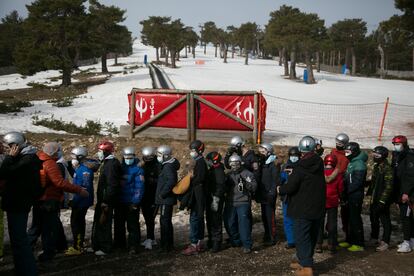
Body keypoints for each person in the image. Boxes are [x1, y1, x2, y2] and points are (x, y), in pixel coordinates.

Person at [278, 136, 325, 276]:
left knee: (301, 236)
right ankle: (304, 261)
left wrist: (280, 189)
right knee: (311, 235)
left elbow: (291, 187)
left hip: (302, 207)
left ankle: (307, 267)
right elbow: (309, 179)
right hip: (317, 205)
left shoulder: (299, 167)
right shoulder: (319, 162)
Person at [34, 142, 89, 261]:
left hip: (40, 199)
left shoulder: (38, 160)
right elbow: (59, 182)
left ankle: (55, 247)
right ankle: (49, 253)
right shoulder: (51, 164)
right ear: (54, 152)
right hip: (50, 199)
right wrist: (78, 190)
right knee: (49, 228)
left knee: (42, 226)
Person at [0, 132, 40, 275]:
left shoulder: (26, 160)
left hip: (18, 204)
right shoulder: (25, 158)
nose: (5, 150)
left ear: (15, 147)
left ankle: (28, 271)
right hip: (17, 203)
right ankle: (21, 268)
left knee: (19, 239)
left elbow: (3, 172)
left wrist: (10, 158)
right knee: (16, 240)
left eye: (7, 147)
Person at [92, 140, 122, 256]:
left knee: (104, 223)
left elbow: (112, 184)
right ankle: (97, 244)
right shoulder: (106, 163)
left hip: (107, 199)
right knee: (99, 221)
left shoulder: (111, 164)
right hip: (103, 198)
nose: (98, 153)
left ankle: (105, 246)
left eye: (100, 151)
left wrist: (106, 201)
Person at [65, 146, 95, 256]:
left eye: (74, 156)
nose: (72, 158)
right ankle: (79, 245)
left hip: (81, 202)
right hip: (80, 201)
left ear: (80, 157)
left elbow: (84, 190)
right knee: (77, 222)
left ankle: (78, 246)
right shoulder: (80, 168)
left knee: (77, 223)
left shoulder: (84, 171)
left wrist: (75, 201)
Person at [225, 154, 257, 254]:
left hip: (243, 202)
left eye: (236, 163)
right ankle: (235, 241)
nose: (234, 166)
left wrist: (245, 183)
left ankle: (247, 244)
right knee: (229, 223)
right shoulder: (228, 175)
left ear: (240, 163)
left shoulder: (247, 174)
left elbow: (254, 187)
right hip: (230, 202)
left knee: (244, 224)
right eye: (232, 164)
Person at [116, 146, 145, 254]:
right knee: (119, 224)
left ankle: (133, 245)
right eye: (126, 157)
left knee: (132, 225)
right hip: (120, 201)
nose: (128, 159)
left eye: (130, 157)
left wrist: (135, 201)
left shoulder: (138, 169)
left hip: (131, 202)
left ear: (134, 156)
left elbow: (140, 187)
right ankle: (120, 244)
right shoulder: (120, 167)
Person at [340, 142, 367, 252]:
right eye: (345, 152)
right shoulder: (352, 162)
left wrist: (347, 191)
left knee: (355, 218)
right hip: (349, 194)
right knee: (348, 218)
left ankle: (359, 243)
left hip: (355, 195)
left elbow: (357, 182)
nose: (346, 154)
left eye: (348, 152)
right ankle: (349, 239)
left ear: (354, 152)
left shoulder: (359, 164)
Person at [183, 140, 208, 256]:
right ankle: (199, 241)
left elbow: (200, 178)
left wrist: (191, 178)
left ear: (199, 150)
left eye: (193, 150)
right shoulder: (198, 161)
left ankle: (194, 243)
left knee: (195, 218)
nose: (191, 153)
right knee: (197, 217)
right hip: (198, 193)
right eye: (191, 150)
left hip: (198, 193)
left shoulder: (201, 162)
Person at [366, 146, 393, 252]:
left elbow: (389, 186)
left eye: (377, 155)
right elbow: (374, 181)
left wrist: (383, 200)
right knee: (373, 217)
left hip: (382, 198)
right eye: (374, 155)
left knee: (385, 219)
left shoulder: (387, 168)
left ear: (383, 156)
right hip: (375, 196)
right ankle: (374, 237)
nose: (375, 157)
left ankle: (385, 241)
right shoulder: (377, 166)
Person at [316, 154, 343, 254]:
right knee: (332, 224)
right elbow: (340, 189)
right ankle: (332, 245)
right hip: (333, 202)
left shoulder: (319, 173)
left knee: (319, 223)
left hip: (321, 201)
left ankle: (318, 244)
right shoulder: (338, 175)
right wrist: (341, 197)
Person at [391, 135, 414, 253]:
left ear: (404, 144)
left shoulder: (409, 156)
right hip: (399, 191)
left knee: (406, 217)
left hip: (407, 193)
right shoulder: (396, 155)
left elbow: (410, 176)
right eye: (394, 144)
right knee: (405, 216)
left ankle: (407, 242)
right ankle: (410, 240)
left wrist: (406, 192)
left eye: (398, 144)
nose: (396, 146)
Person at [155, 145, 180, 252]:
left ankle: (166, 245)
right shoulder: (166, 165)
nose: (158, 157)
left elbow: (171, 181)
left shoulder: (168, 166)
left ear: (165, 155)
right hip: (165, 199)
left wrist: (162, 194)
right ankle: (167, 244)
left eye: (159, 155)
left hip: (166, 199)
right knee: (165, 222)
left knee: (165, 222)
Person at [257, 143, 280, 246]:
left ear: (268, 152)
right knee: (264, 216)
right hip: (263, 193)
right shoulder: (263, 163)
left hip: (269, 193)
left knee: (270, 216)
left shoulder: (273, 164)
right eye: (260, 152)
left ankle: (272, 236)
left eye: (263, 152)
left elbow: (275, 180)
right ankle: (266, 234)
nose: (261, 154)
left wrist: (272, 193)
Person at [280, 147, 301, 249]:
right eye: (292, 156)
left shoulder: (302, 167)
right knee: (287, 219)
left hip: (298, 196)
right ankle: (291, 240)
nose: (294, 158)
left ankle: (299, 239)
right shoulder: (285, 166)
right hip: (287, 197)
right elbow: (280, 180)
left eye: (296, 156)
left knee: (298, 219)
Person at [331, 133, 350, 245]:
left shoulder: (346, 156)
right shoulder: (333, 152)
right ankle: (330, 230)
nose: (338, 145)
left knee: (344, 210)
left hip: (340, 182)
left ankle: (346, 232)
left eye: (340, 143)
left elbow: (343, 169)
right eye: (337, 143)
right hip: (331, 181)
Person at [205, 151, 226, 253]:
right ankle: (211, 240)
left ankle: (216, 242)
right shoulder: (213, 169)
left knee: (215, 220)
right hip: (211, 197)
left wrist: (216, 198)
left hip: (216, 198)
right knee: (210, 219)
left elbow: (220, 186)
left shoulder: (218, 171)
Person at [140, 146, 160, 250]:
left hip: (153, 195)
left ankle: (150, 238)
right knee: (147, 217)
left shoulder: (157, 165)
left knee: (150, 218)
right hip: (145, 195)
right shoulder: (144, 165)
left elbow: (159, 180)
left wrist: (148, 179)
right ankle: (151, 238)